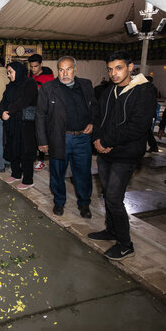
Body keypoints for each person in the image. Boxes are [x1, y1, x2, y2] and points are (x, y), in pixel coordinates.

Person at [89, 50, 156, 261]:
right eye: (110, 70)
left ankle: (126, 244)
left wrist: (107, 142)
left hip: (125, 154)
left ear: (130, 67)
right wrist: (98, 140)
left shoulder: (144, 91)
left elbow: (138, 126)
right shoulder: (109, 91)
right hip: (105, 152)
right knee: (107, 194)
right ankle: (111, 230)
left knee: (114, 198)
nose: (114, 74)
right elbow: (98, 117)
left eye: (118, 68)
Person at [36, 56, 98, 218]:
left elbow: (94, 107)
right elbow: (40, 115)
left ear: (75, 69)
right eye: (61, 70)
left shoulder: (86, 85)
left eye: (68, 69)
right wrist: (42, 141)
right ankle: (59, 202)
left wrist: (92, 122)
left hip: (82, 138)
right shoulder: (48, 88)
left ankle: (84, 204)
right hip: (59, 138)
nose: (65, 73)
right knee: (57, 173)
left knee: (83, 173)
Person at [0, 61, 38, 190]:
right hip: (12, 124)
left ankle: (28, 180)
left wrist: (8, 111)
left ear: (19, 71)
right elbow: (2, 102)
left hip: (25, 125)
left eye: (10, 72)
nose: (8, 75)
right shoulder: (10, 86)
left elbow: (24, 101)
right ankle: (16, 174)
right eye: (7, 72)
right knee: (13, 149)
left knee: (26, 152)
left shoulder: (29, 83)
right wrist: (1, 112)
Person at [28, 53, 55, 171]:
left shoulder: (48, 79)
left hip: (45, 111)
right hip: (31, 110)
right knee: (33, 135)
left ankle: (41, 160)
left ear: (41, 65)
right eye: (31, 66)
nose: (33, 69)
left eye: (35, 66)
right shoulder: (30, 76)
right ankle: (33, 158)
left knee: (42, 135)